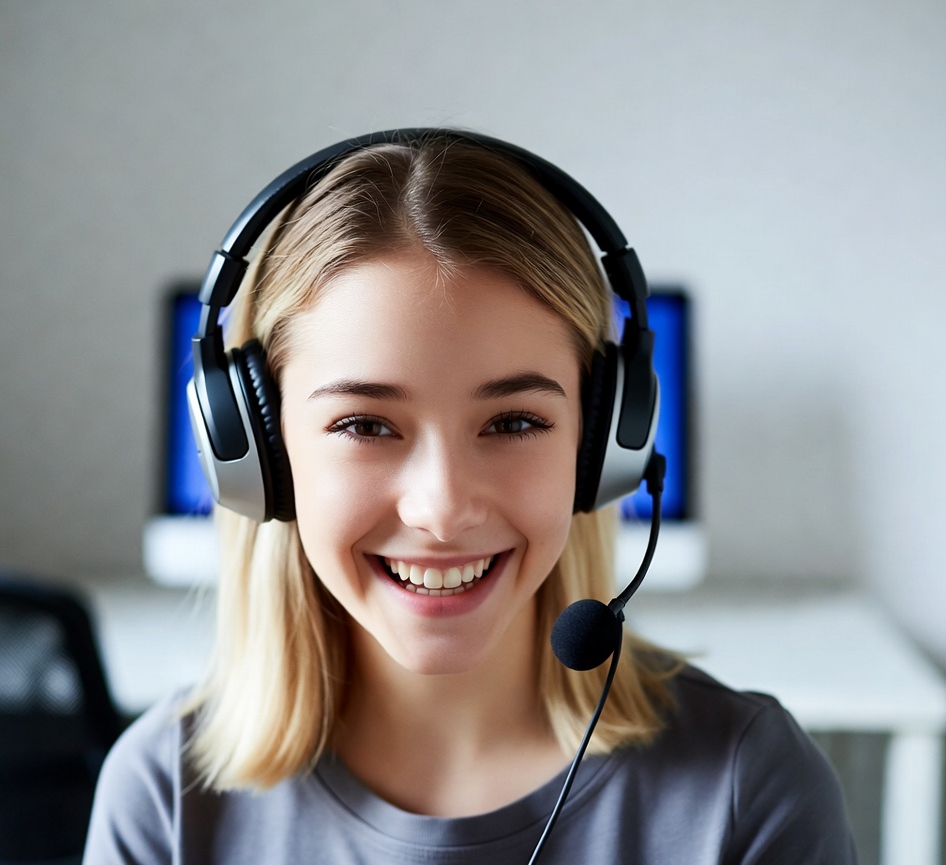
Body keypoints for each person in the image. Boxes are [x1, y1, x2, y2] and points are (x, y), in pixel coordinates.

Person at [84, 130, 857, 863]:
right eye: (364, 425)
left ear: (600, 444)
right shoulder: (163, 797)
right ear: (259, 453)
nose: (443, 509)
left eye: (514, 422)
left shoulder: (748, 789)